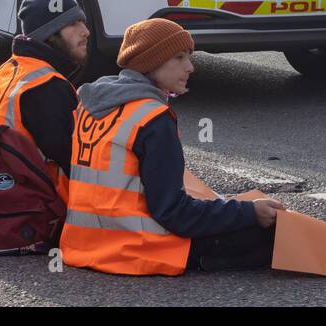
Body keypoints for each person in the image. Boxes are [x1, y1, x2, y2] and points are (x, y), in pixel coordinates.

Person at [60, 18, 285, 275]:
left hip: (82, 244)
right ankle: (205, 260)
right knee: (271, 233)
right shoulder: (152, 118)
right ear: (151, 62)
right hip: (136, 247)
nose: (190, 67)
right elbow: (174, 212)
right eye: (178, 58)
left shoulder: (90, 104)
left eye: (189, 57)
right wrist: (248, 212)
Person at [0, 0, 86, 199]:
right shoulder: (46, 86)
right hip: (35, 211)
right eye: (73, 24)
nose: (85, 31)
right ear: (49, 35)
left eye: (82, 22)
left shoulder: (6, 72)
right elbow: (76, 161)